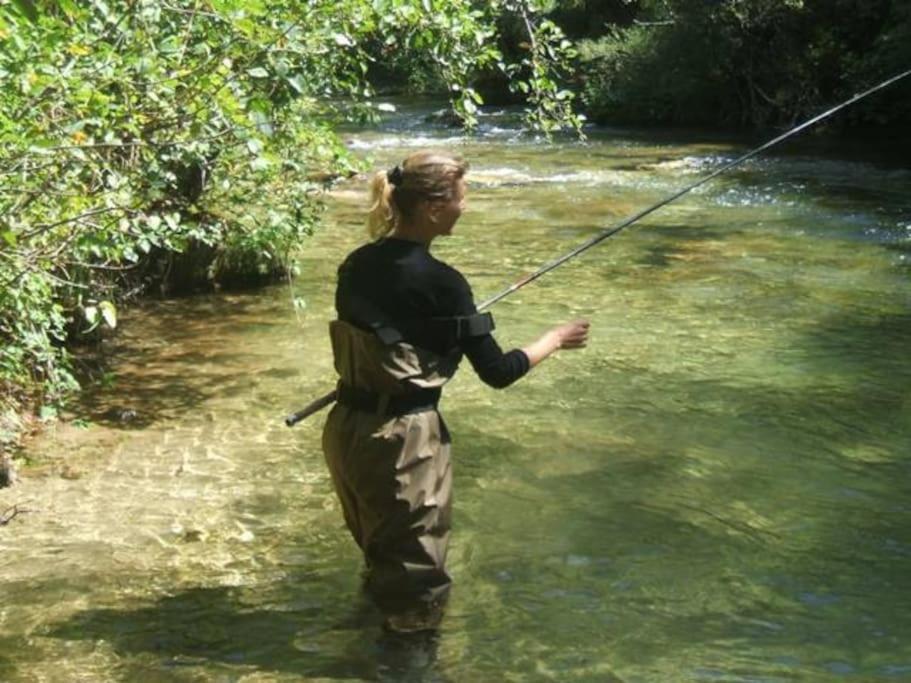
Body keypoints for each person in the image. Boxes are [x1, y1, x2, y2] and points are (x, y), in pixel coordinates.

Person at [322, 150, 589, 632]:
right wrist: (555, 339)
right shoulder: (445, 285)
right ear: (432, 206)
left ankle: (368, 648)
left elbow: (393, 329)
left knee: (381, 555)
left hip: (346, 430)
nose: (466, 206)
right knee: (419, 587)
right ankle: (407, 664)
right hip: (403, 443)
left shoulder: (355, 264)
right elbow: (499, 371)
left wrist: (450, 327)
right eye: (462, 196)